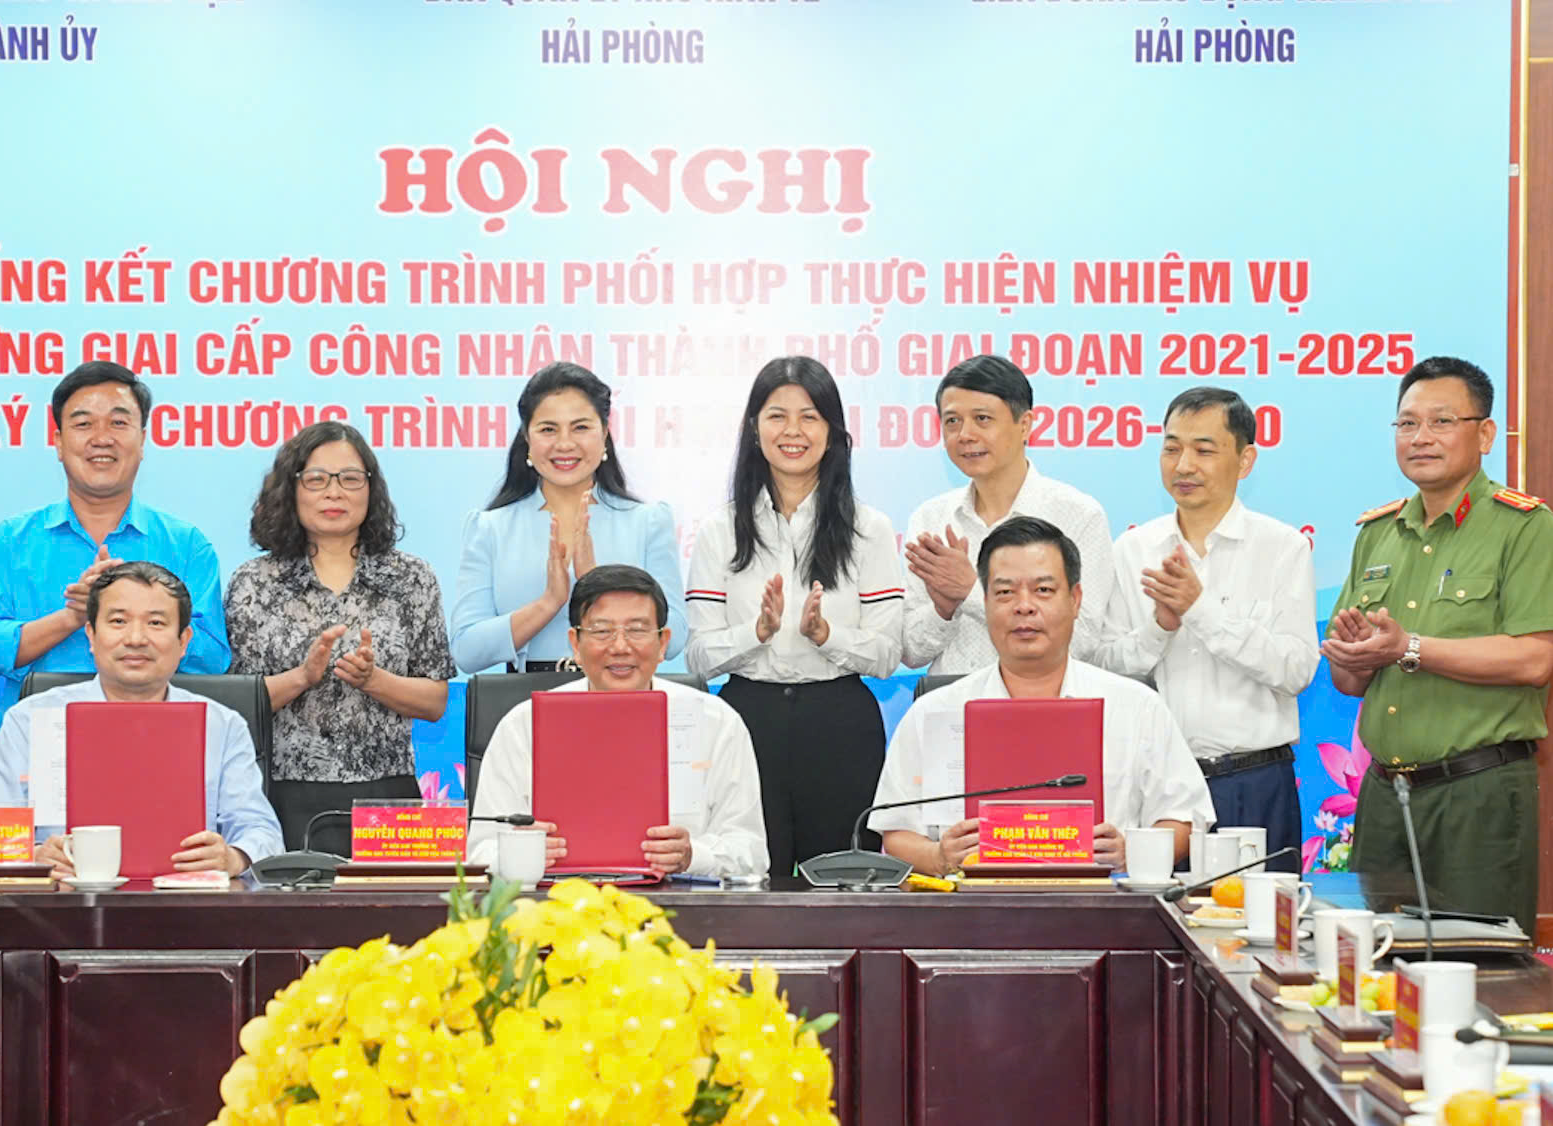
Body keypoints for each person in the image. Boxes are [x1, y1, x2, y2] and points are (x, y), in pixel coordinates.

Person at [1321, 357, 1553, 934]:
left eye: (1441, 421)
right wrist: (1355, 656)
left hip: (1477, 795)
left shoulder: (1524, 527)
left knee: (1479, 961)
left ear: (1485, 434)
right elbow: (1349, 681)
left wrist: (1408, 647)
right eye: (1407, 424)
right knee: (1377, 961)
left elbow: (1536, 658)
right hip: (1385, 796)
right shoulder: (1377, 534)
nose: (1421, 437)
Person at [875, 517, 1212, 878]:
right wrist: (938, 856)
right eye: (1005, 592)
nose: (1024, 606)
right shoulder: (934, 712)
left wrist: (1133, 852)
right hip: (970, 908)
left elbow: (1185, 817)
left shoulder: (1137, 707)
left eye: (1043, 590)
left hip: (1103, 907)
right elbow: (896, 830)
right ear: (985, 602)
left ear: (1075, 600)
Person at [685, 357, 903, 878]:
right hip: (747, 719)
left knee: (843, 884)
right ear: (753, 428)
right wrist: (756, 633)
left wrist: (827, 636)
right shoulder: (720, 531)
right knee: (748, 878)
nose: (793, 431)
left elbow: (888, 655)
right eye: (777, 416)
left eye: (809, 417)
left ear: (833, 431)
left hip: (840, 721)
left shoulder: (869, 528)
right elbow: (697, 657)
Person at [1093, 387, 1317, 870]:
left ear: (1245, 460)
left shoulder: (1282, 548)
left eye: (1204, 450)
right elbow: (1104, 667)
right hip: (1160, 789)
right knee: (1157, 917)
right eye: (1171, 448)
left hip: (1255, 782)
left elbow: (1296, 669)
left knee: (1258, 915)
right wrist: (1160, 627)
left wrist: (1201, 610)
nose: (1183, 465)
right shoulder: (1133, 550)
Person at [224, 422, 454, 855]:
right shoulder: (254, 582)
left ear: (371, 488)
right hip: (283, 793)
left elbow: (436, 701)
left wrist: (374, 681)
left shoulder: (411, 578)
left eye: (350, 479)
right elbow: (237, 707)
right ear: (291, 489)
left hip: (389, 795)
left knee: (399, 901)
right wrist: (302, 677)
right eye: (316, 479)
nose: (334, 493)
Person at [0, 561, 281, 876]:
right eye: (118, 621)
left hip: (186, 896)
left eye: (156, 623)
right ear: (91, 635)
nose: (136, 638)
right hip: (63, 897)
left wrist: (234, 857)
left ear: (183, 641)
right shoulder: (29, 719)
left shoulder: (222, 725)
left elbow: (263, 833)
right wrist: (34, 856)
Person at [0, 360, 228, 717]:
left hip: (154, 732)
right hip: (40, 735)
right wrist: (71, 617)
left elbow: (212, 659)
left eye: (118, 423)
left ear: (142, 440)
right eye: (84, 424)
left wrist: (143, 620)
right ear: (59, 442)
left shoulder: (187, 546)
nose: (102, 438)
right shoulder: (10, 542)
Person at [466, 565, 767, 879]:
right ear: (575, 644)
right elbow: (481, 852)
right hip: (556, 902)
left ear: (663, 643)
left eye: (637, 630)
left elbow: (751, 852)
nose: (620, 647)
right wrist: (521, 853)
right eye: (601, 631)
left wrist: (694, 856)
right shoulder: (523, 726)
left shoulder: (716, 722)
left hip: (677, 901)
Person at [450, 362, 687, 673]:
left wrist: (598, 590)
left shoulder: (648, 522)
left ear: (604, 434)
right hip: (525, 696)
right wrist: (550, 602)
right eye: (548, 429)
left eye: (581, 427)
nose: (564, 444)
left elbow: (675, 637)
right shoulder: (490, 528)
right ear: (527, 439)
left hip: (620, 690)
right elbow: (466, 651)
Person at [902, 355, 1117, 678]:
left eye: (982, 419)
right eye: (952, 421)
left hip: (1040, 700)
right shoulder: (931, 518)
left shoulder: (1077, 515)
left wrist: (971, 592)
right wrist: (943, 611)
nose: (965, 434)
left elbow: (1082, 641)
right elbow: (910, 650)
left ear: (1025, 424)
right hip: (948, 701)